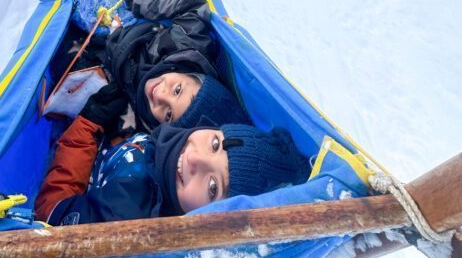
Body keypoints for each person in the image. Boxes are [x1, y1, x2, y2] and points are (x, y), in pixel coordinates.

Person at [34, 85, 309, 225]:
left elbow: (51, 214)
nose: (194, 159)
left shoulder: (130, 212)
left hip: (59, 167)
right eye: (215, 144)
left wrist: (86, 126)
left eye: (213, 187)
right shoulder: (169, 145)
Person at [104, 0, 251, 130]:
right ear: (194, 76)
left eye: (168, 114)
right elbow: (192, 3)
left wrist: (113, 35)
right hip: (141, 31)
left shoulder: (148, 123)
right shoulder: (187, 44)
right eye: (177, 90)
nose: (160, 95)